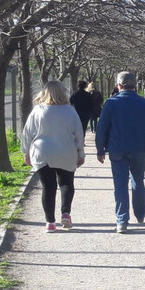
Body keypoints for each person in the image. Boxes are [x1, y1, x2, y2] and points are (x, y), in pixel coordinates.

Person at [96, 71, 145, 233]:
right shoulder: (144, 103)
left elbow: (101, 129)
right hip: (139, 148)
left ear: (119, 85)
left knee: (120, 185)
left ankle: (122, 221)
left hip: (117, 149)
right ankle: (140, 214)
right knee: (138, 181)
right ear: (134, 85)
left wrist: (100, 149)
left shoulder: (111, 103)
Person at [21, 80, 85, 232]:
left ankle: (50, 222)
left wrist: (26, 152)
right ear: (63, 92)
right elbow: (79, 134)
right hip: (66, 150)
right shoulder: (70, 110)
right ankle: (66, 213)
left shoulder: (38, 110)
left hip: (43, 152)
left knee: (48, 187)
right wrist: (80, 153)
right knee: (66, 183)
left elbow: (27, 133)